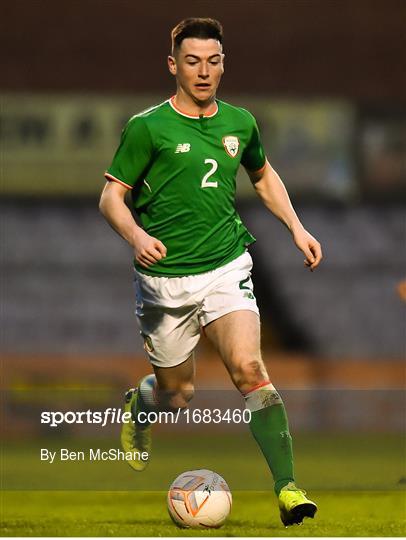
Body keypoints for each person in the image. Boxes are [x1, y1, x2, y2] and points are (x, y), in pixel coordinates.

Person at [99, 17, 322, 527]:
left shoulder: (240, 123)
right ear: (173, 65)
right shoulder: (147, 127)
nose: (204, 72)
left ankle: (288, 488)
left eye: (213, 61)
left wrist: (296, 227)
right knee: (179, 395)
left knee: (250, 370)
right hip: (165, 281)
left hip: (225, 264)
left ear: (223, 65)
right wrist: (137, 235)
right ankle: (145, 403)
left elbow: (263, 177)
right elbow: (111, 196)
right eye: (193, 61)